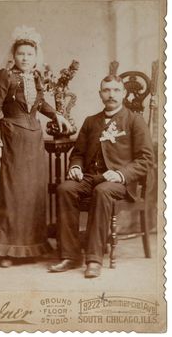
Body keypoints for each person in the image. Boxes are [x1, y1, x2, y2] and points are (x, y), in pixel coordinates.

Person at [48, 74, 154, 278]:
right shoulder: (91, 121)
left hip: (119, 182)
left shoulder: (134, 121)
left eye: (115, 90)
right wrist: (76, 167)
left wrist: (121, 173)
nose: (111, 94)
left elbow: (146, 159)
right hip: (90, 177)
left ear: (123, 93)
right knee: (65, 189)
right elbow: (77, 153)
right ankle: (70, 256)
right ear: (100, 94)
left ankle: (94, 259)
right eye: (106, 90)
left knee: (102, 191)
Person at [0, 27, 71, 268]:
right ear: (14, 55)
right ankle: (7, 251)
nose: (25, 58)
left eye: (30, 54)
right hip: (11, 139)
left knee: (32, 194)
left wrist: (57, 116)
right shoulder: (4, 76)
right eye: (21, 54)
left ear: (36, 57)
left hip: (34, 139)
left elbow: (40, 104)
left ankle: (32, 246)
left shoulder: (36, 76)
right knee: (13, 194)